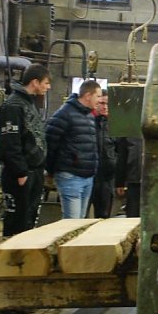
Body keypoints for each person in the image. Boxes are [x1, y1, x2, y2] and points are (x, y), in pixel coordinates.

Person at [0, 63, 51, 236]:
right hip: (20, 174)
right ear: (35, 82)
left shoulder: (29, 103)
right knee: (17, 221)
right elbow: (10, 143)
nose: (48, 87)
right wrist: (20, 172)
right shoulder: (13, 106)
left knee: (29, 219)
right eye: (46, 83)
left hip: (34, 171)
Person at [45, 80, 102, 219]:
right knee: (72, 222)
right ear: (88, 95)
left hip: (87, 176)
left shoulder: (89, 115)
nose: (100, 100)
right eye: (98, 96)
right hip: (70, 175)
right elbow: (50, 142)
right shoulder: (64, 114)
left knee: (80, 222)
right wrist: (50, 171)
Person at [89, 91, 117, 218]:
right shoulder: (88, 122)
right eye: (101, 103)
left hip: (108, 178)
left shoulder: (116, 126)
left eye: (107, 104)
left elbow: (120, 150)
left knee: (103, 216)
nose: (104, 107)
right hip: (89, 176)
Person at [115, 137, 142, 218]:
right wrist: (119, 182)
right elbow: (122, 157)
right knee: (133, 216)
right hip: (134, 179)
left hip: (154, 180)